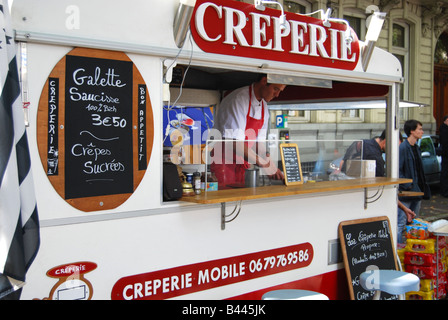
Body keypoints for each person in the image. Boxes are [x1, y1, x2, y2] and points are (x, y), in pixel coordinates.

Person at [210, 75, 285, 187]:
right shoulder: (238, 99)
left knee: (242, 199)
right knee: (224, 200)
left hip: (243, 163)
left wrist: (269, 163)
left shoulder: (264, 106)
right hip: (224, 163)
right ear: (264, 81)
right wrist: (263, 164)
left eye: (280, 91)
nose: (277, 95)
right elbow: (235, 143)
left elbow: (258, 143)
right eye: (275, 89)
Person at [397, 119, 426, 243]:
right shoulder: (403, 148)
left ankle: (410, 248)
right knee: (401, 223)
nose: (422, 131)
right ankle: (398, 249)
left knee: (414, 222)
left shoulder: (417, 148)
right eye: (419, 129)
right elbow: (397, 170)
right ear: (412, 131)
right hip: (406, 193)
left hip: (417, 191)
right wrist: (407, 186)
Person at [439, 115, 448, 198]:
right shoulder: (444, 130)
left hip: (445, 155)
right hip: (446, 155)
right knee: (445, 173)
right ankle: (444, 191)